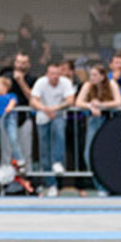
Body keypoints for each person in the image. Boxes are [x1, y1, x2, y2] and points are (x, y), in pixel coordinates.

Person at [30, 63, 76, 196]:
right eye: (52, 74)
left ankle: (58, 161)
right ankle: (51, 185)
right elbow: (33, 101)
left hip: (58, 115)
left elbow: (70, 100)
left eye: (57, 74)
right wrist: (45, 109)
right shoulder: (40, 82)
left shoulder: (65, 83)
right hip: (42, 118)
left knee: (59, 131)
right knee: (44, 152)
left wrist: (55, 108)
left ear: (60, 74)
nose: (54, 77)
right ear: (47, 74)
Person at [74, 64, 121, 194]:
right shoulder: (87, 85)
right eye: (91, 75)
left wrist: (101, 105)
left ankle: (111, 184)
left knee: (109, 154)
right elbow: (78, 102)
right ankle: (100, 185)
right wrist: (90, 105)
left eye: (95, 75)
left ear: (102, 76)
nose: (92, 77)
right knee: (88, 154)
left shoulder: (111, 84)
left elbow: (118, 102)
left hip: (109, 122)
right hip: (93, 122)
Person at [0, 53, 36, 168]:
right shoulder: (6, 76)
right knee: (7, 151)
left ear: (28, 65)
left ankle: (26, 179)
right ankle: (8, 180)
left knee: (25, 151)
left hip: (24, 118)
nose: (20, 65)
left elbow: (32, 97)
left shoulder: (32, 79)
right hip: (8, 118)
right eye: (18, 62)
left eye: (23, 63)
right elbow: (0, 94)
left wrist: (21, 81)